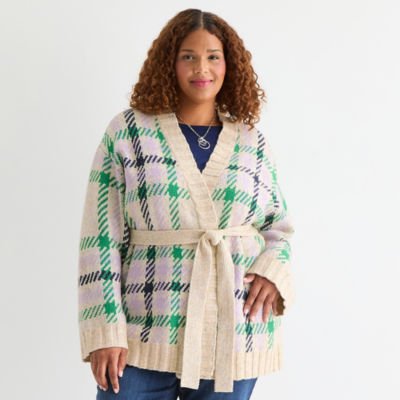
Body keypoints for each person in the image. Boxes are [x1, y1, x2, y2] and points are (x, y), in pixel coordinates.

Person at [77, 8, 295, 400]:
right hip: (143, 331)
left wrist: (271, 272)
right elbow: (100, 238)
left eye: (213, 56)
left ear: (229, 65)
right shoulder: (128, 133)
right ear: (169, 64)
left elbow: (278, 227)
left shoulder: (252, 141)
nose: (202, 68)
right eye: (188, 56)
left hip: (233, 330)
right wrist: (104, 330)